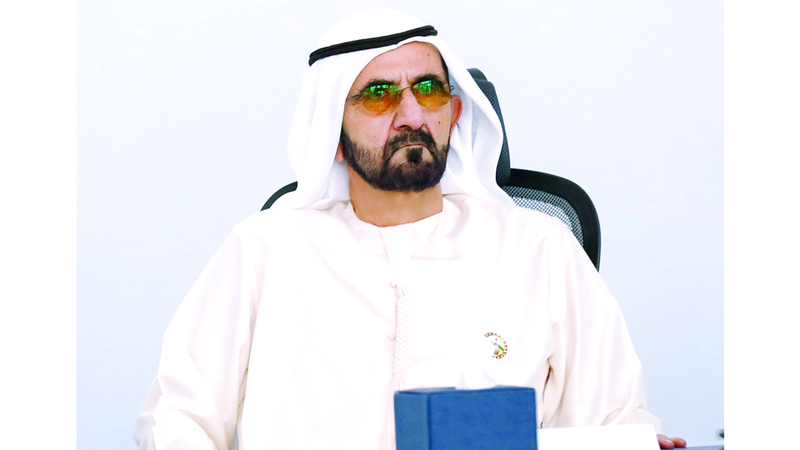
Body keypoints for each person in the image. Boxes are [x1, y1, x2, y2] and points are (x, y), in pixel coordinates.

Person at [134, 8, 686, 450]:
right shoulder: (265, 251)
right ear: (332, 134)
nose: (413, 115)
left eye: (428, 89)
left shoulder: (537, 248)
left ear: (454, 115)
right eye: (379, 95)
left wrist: (633, 440)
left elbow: (612, 414)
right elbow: (178, 418)